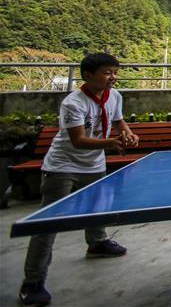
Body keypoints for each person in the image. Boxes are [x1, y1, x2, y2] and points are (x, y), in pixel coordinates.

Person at [19, 52, 139, 306]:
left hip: (93, 164)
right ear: (88, 75)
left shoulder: (114, 96)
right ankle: (33, 282)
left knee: (98, 208)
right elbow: (78, 140)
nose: (113, 78)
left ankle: (97, 243)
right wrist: (113, 142)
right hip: (63, 167)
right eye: (107, 73)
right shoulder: (73, 103)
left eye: (115, 72)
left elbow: (117, 121)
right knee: (48, 224)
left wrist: (127, 133)